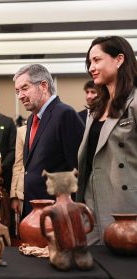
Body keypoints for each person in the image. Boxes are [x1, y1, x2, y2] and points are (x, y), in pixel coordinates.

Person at [77, 36, 137, 245]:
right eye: (90, 63)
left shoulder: (135, 102)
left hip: (126, 207)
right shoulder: (95, 109)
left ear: (119, 59)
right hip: (92, 205)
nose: (92, 67)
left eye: (97, 60)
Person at [13, 64, 84, 218]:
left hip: (57, 213)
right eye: (17, 91)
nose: (20, 95)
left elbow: (79, 168)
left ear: (44, 86)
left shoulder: (65, 114)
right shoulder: (32, 119)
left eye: (24, 88)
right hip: (34, 209)